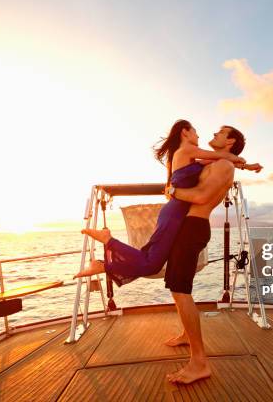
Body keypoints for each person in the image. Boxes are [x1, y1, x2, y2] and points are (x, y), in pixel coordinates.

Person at [74, 120, 261, 284]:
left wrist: (245, 166)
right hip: (175, 213)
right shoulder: (188, 149)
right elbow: (225, 157)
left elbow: (218, 161)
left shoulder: (191, 156)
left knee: (152, 262)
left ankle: (102, 265)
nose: (199, 135)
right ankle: (106, 243)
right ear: (185, 132)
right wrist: (243, 161)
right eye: (195, 131)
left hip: (175, 213)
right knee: (151, 263)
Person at [164, 125, 247, 385]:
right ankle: (187, 334)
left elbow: (200, 196)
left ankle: (199, 362)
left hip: (194, 228)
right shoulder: (217, 162)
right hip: (188, 226)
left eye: (221, 132)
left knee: (180, 289)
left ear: (230, 141)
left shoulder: (223, 167)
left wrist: (173, 192)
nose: (214, 133)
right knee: (176, 286)